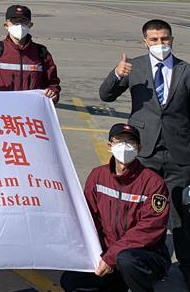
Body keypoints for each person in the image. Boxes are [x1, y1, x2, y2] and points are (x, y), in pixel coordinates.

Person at [99, 19, 190, 292]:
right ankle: (140, 264)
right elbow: (106, 96)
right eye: (154, 40)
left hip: (178, 155)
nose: (160, 44)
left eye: (165, 39)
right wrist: (116, 74)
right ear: (144, 42)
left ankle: (189, 270)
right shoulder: (133, 67)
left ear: (172, 39)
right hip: (143, 153)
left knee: (181, 217)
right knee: (139, 214)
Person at [61, 123, 171, 292]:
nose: (125, 147)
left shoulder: (154, 183)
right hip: (108, 254)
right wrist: (93, 254)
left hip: (144, 255)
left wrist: (111, 257)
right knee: (70, 281)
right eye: (119, 141)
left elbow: (149, 229)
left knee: (126, 260)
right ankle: (118, 283)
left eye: (131, 142)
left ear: (139, 148)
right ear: (109, 146)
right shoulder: (97, 176)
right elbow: (90, 218)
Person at [0, 4, 61, 102]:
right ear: (6, 25)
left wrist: (53, 93)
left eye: (24, 21)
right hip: (3, 112)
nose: (20, 26)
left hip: (31, 112)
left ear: (30, 25)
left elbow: (52, 83)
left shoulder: (41, 53)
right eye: (15, 22)